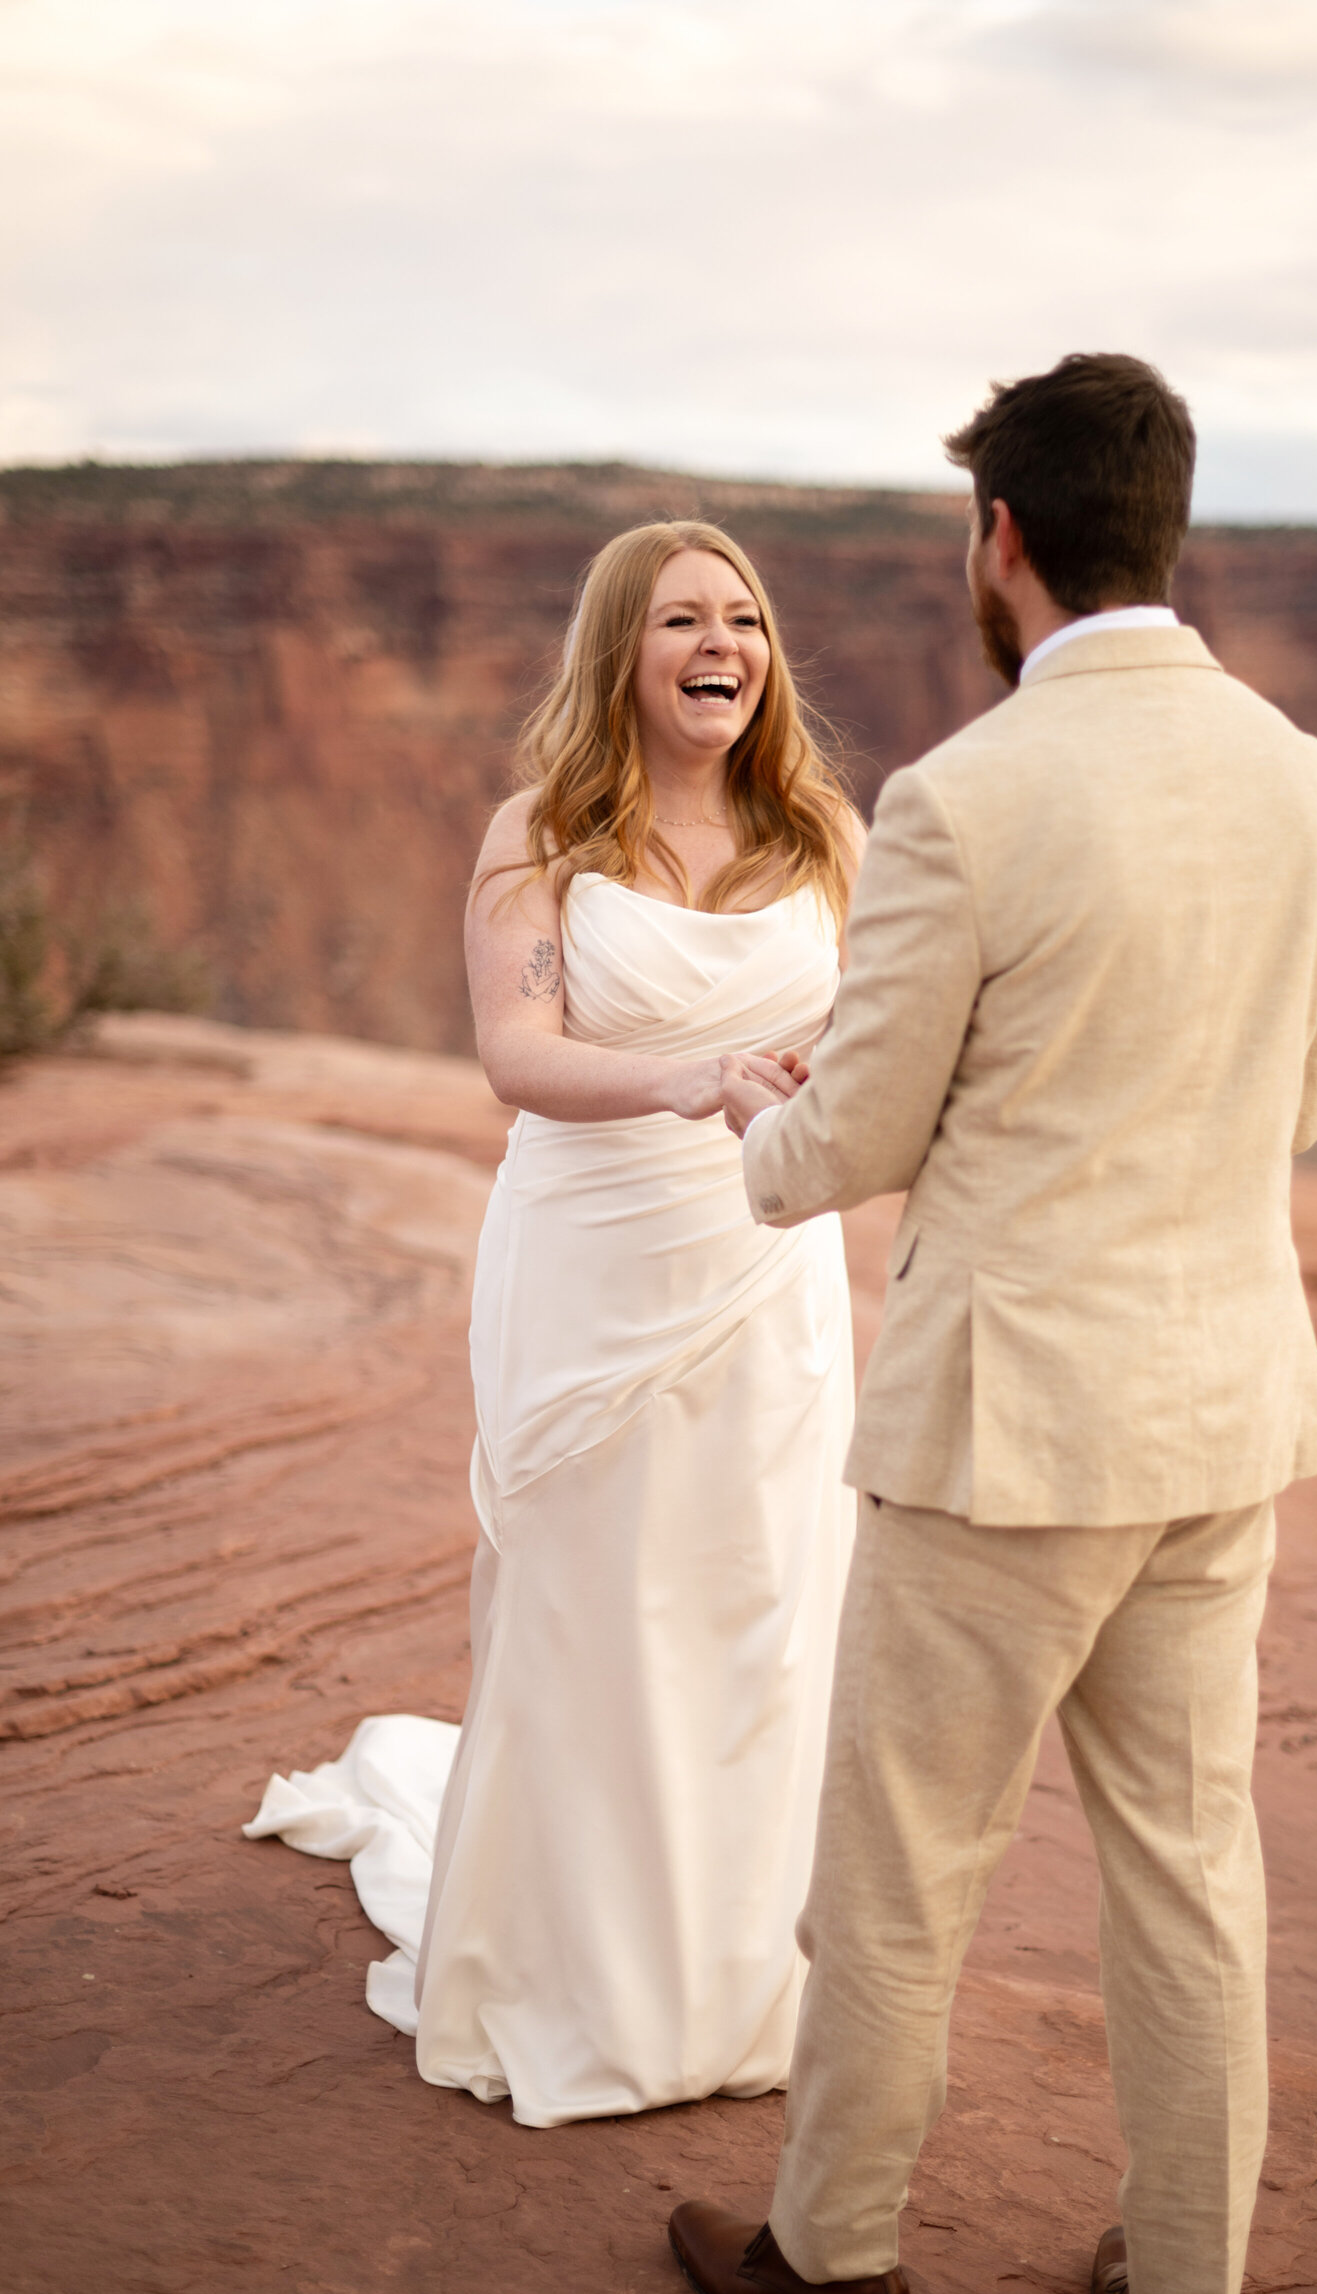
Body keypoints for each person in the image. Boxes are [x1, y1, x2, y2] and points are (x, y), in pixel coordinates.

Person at [668, 356, 1317, 2294]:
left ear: (999, 539)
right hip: (1214, 1413)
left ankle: (842, 2259)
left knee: (899, 1869)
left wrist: (754, 1122)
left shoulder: (965, 797)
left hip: (1004, 1432)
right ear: (1168, 527)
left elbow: (857, 1139)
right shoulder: (1304, 781)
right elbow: (1296, 1100)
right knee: (1188, 1868)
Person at [246, 520, 863, 2129]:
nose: (722, 644)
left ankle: (737, 1979)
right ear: (623, 651)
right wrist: (690, 1079)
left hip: (771, 1271)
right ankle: (572, 1978)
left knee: (757, 1609)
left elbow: (881, 1045)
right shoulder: (548, 834)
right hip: (593, 1265)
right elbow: (515, 1049)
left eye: (745, 619)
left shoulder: (825, 833)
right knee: (596, 1605)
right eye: (680, 622)